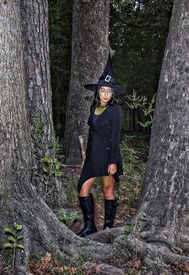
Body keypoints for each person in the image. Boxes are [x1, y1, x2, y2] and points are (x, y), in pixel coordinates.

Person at [77, 55, 125, 237]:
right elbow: (92, 134)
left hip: (108, 156)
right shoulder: (93, 107)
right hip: (92, 157)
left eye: (109, 91)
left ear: (113, 94)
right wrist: (86, 157)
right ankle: (90, 226)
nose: (106, 94)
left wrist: (113, 161)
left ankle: (108, 229)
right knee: (83, 189)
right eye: (103, 90)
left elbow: (115, 136)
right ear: (98, 91)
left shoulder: (115, 110)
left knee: (107, 190)